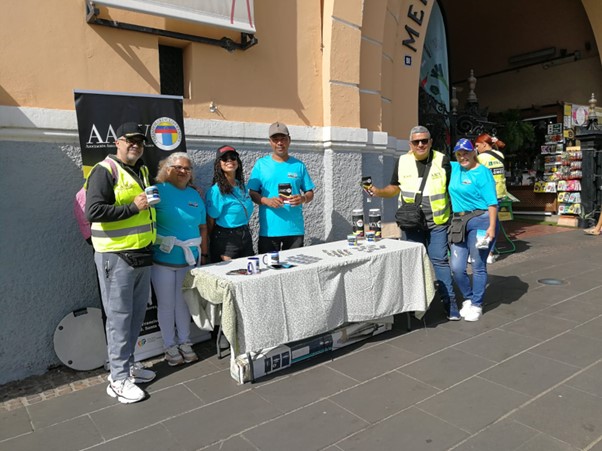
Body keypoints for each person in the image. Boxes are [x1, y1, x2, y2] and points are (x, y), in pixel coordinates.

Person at [85, 122, 157, 404]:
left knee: (136, 316)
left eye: (140, 141)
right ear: (118, 142)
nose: (136, 145)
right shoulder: (104, 171)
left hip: (141, 254)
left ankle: (128, 366)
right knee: (118, 319)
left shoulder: (141, 170)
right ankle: (117, 379)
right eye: (130, 140)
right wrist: (133, 207)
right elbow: (94, 210)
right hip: (116, 257)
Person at [369, 125, 459, 320]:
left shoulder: (442, 160)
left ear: (430, 142)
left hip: (437, 222)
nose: (420, 144)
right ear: (410, 144)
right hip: (411, 223)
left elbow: (454, 189)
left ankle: (450, 303)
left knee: (439, 261)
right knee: (413, 263)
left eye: (424, 141)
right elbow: (394, 188)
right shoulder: (402, 161)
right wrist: (378, 192)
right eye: (416, 141)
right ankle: (413, 305)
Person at [151, 152, 208, 366]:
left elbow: (202, 227)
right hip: (163, 261)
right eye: (178, 167)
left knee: (183, 304)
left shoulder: (195, 195)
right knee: (166, 305)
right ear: (167, 169)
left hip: (189, 260)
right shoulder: (158, 192)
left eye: (187, 168)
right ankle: (169, 346)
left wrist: (203, 253)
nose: (183, 171)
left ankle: (185, 342)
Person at [448, 138, 498, 322]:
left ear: (473, 152)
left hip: (480, 221)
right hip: (458, 222)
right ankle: (468, 297)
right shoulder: (454, 168)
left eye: (466, 152)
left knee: (478, 265)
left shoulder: (483, 173)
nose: (463, 157)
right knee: (457, 267)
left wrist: (492, 227)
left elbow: (492, 203)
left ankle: (477, 303)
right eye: (459, 154)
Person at [248, 122, 315, 252]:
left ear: (289, 140)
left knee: (294, 269)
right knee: (269, 270)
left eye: (283, 139)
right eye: (275, 139)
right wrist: (266, 201)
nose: (280, 143)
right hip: (269, 230)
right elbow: (252, 193)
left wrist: (302, 199)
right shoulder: (261, 165)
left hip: (294, 229)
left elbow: (310, 192)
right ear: (270, 142)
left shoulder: (299, 165)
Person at [206, 145, 255, 262]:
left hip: (245, 235)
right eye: (224, 158)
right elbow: (210, 220)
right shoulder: (216, 191)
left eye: (233, 157)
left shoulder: (241, 185)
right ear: (219, 164)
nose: (229, 161)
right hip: (226, 239)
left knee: (249, 271)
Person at [475, 133, 507, 263]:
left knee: (483, 223)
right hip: (499, 192)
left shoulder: (481, 158)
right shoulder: (500, 155)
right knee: (494, 222)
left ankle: (483, 253)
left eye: (477, 146)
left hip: (486, 194)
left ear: (484, 144)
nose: (476, 148)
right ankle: (491, 252)